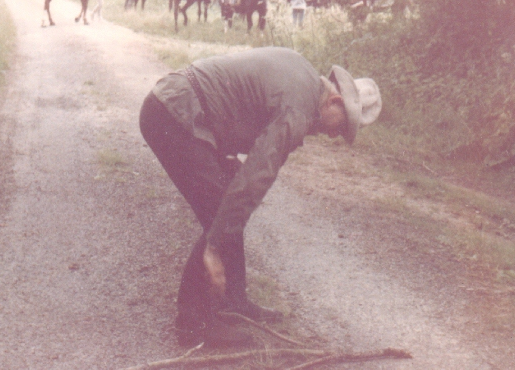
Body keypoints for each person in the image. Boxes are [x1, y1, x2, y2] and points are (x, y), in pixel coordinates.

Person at [139, 47, 382, 348]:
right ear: (335, 101)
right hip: (173, 113)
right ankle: (193, 324)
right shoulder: (299, 107)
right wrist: (213, 246)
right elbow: (257, 177)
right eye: (341, 126)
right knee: (222, 210)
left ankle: (233, 300)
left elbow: (241, 111)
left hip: (179, 107)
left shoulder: (305, 80)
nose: (334, 136)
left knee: (231, 202)